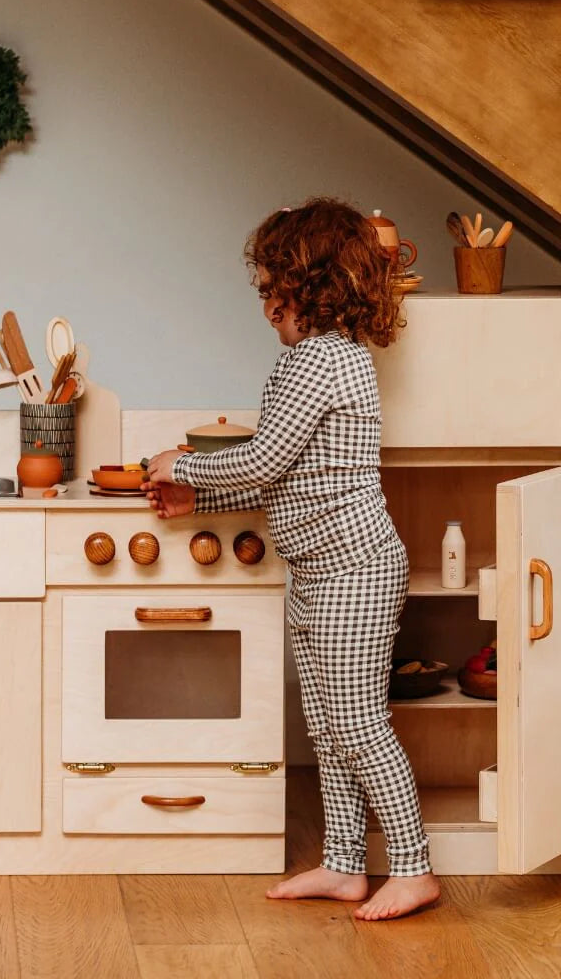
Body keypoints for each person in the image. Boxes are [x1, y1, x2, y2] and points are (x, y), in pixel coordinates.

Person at [143, 198, 440, 921]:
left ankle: (413, 865)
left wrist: (183, 467)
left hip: (355, 569)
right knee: (325, 723)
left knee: (358, 722)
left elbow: (266, 457)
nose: (265, 302)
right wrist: (200, 506)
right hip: (317, 571)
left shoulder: (321, 360)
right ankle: (344, 863)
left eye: (273, 285)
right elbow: (290, 475)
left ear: (308, 289)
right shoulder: (316, 361)